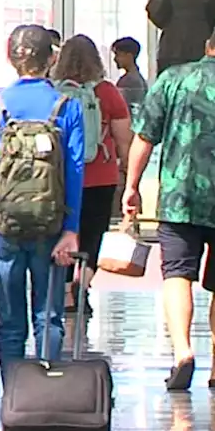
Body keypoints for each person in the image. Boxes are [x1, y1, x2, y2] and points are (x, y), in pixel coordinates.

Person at [123, 19, 215, 392]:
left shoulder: (173, 79)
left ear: (207, 44)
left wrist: (132, 186)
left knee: (177, 273)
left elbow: (144, 137)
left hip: (179, 198)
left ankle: (182, 352)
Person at [0, 25, 83, 397]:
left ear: (11, 58)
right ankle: (47, 398)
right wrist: (71, 229)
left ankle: (14, 401)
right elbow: (75, 171)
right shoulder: (67, 106)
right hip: (51, 227)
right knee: (48, 318)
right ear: (51, 59)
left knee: (10, 324)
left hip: (5, 227)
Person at [51, 35, 131, 314]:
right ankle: (81, 286)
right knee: (93, 235)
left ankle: (63, 292)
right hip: (101, 176)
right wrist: (125, 173)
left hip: (59, 178)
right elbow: (124, 140)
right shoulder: (107, 92)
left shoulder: (54, 92)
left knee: (62, 233)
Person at [112, 36, 147, 110]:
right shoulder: (137, 79)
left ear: (129, 56)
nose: (114, 59)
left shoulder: (130, 81)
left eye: (117, 54)